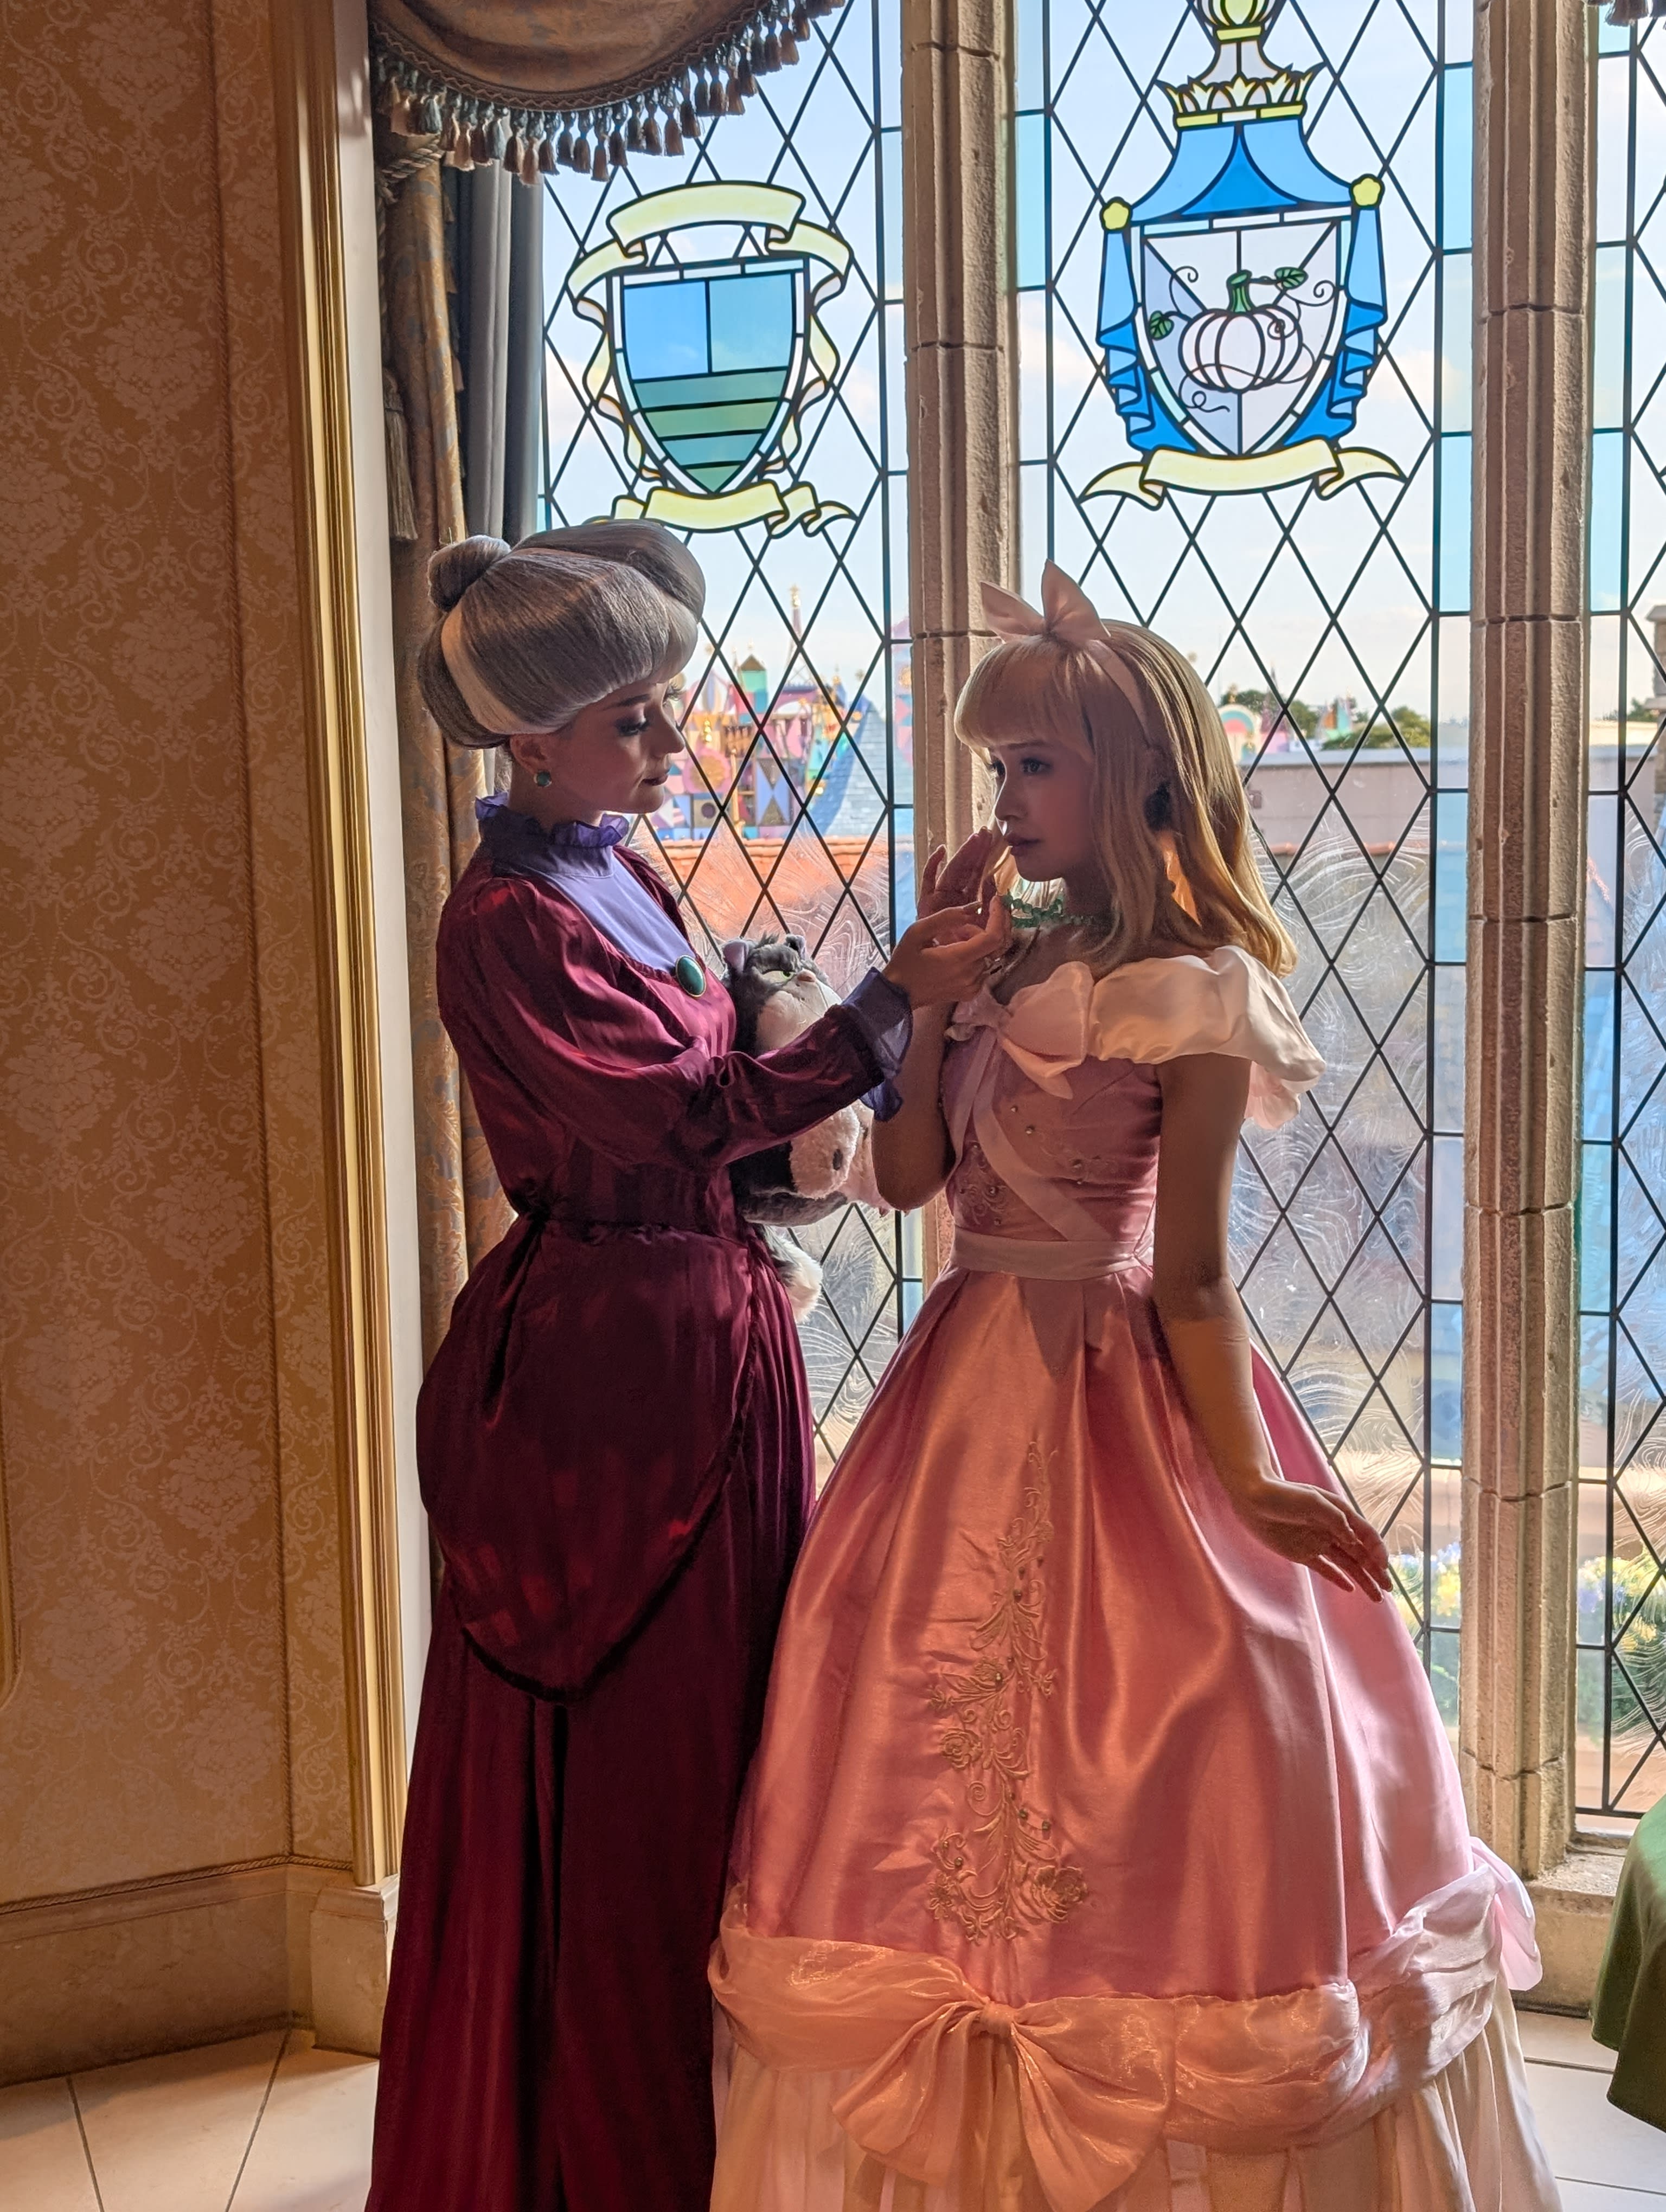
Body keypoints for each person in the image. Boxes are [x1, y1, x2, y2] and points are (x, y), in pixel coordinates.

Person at [708, 564, 1561, 2209]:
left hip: (1119, 1386)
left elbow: (1193, 1278)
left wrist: (1246, 1481)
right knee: (914, 1728)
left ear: (1139, 775)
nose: (1005, 802)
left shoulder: (1195, 992)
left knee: (1197, 1721)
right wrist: (928, 1005)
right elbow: (902, 1185)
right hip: (958, 1381)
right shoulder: (988, 956)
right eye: (996, 768)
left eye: (1036, 764)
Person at [365, 523, 1007, 2212]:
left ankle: (726, 2139)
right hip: (599, 1383)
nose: (669, 745)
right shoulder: (505, 917)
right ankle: (594, 2152)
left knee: (730, 1736)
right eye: (637, 721)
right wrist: (884, 1011)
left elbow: (724, 1060)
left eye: (667, 708)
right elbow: (674, 1114)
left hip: (703, 1334)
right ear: (531, 740)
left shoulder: (616, 866)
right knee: (634, 1766)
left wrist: (846, 1011)